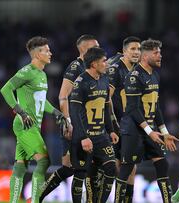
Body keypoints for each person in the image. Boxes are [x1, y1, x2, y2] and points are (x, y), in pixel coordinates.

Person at [0, 36, 67, 203]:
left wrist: (56, 112)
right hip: (25, 125)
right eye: (46, 50)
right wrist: (21, 112)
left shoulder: (42, 75)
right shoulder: (27, 71)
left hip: (33, 126)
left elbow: (41, 100)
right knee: (44, 162)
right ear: (37, 54)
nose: (50, 53)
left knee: (20, 167)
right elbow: (6, 89)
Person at [114, 39, 179, 203]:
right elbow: (133, 109)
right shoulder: (134, 77)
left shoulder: (154, 75)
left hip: (151, 131)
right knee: (126, 168)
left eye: (160, 52)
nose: (160, 56)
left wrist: (165, 132)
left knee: (162, 164)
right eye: (156, 53)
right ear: (145, 56)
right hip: (133, 130)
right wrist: (150, 132)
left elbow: (155, 107)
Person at [39, 34, 99, 202]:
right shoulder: (75, 68)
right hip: (74, 124)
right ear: (84, 50)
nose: (99, 50)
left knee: (76, 168)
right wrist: (68, 122)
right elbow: (63, 96)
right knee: (74, 168)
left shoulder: (94, 68)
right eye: (95, 47)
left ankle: (36, 197)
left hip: (90, 124)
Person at [69, 47, 119, 203]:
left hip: (102, 136)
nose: (107, 64)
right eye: (104, 61)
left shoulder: (104, 80)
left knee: (111, 169)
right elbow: (75, 112)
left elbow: (105, 107)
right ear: (94, 63)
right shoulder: (80, 82)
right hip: (85, 137)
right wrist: (83, 137)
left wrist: (110, 130)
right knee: (85, 175)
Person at [108, 36, 141, 203]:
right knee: (116, 166)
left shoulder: (138, 70)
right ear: (125, 51)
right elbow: (107, 99)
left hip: (131, 126)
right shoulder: (115, 69)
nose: (136, 52)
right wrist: (113, 124)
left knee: (131, 166)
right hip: (115, 125)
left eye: (138, 49)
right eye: (133, 49)